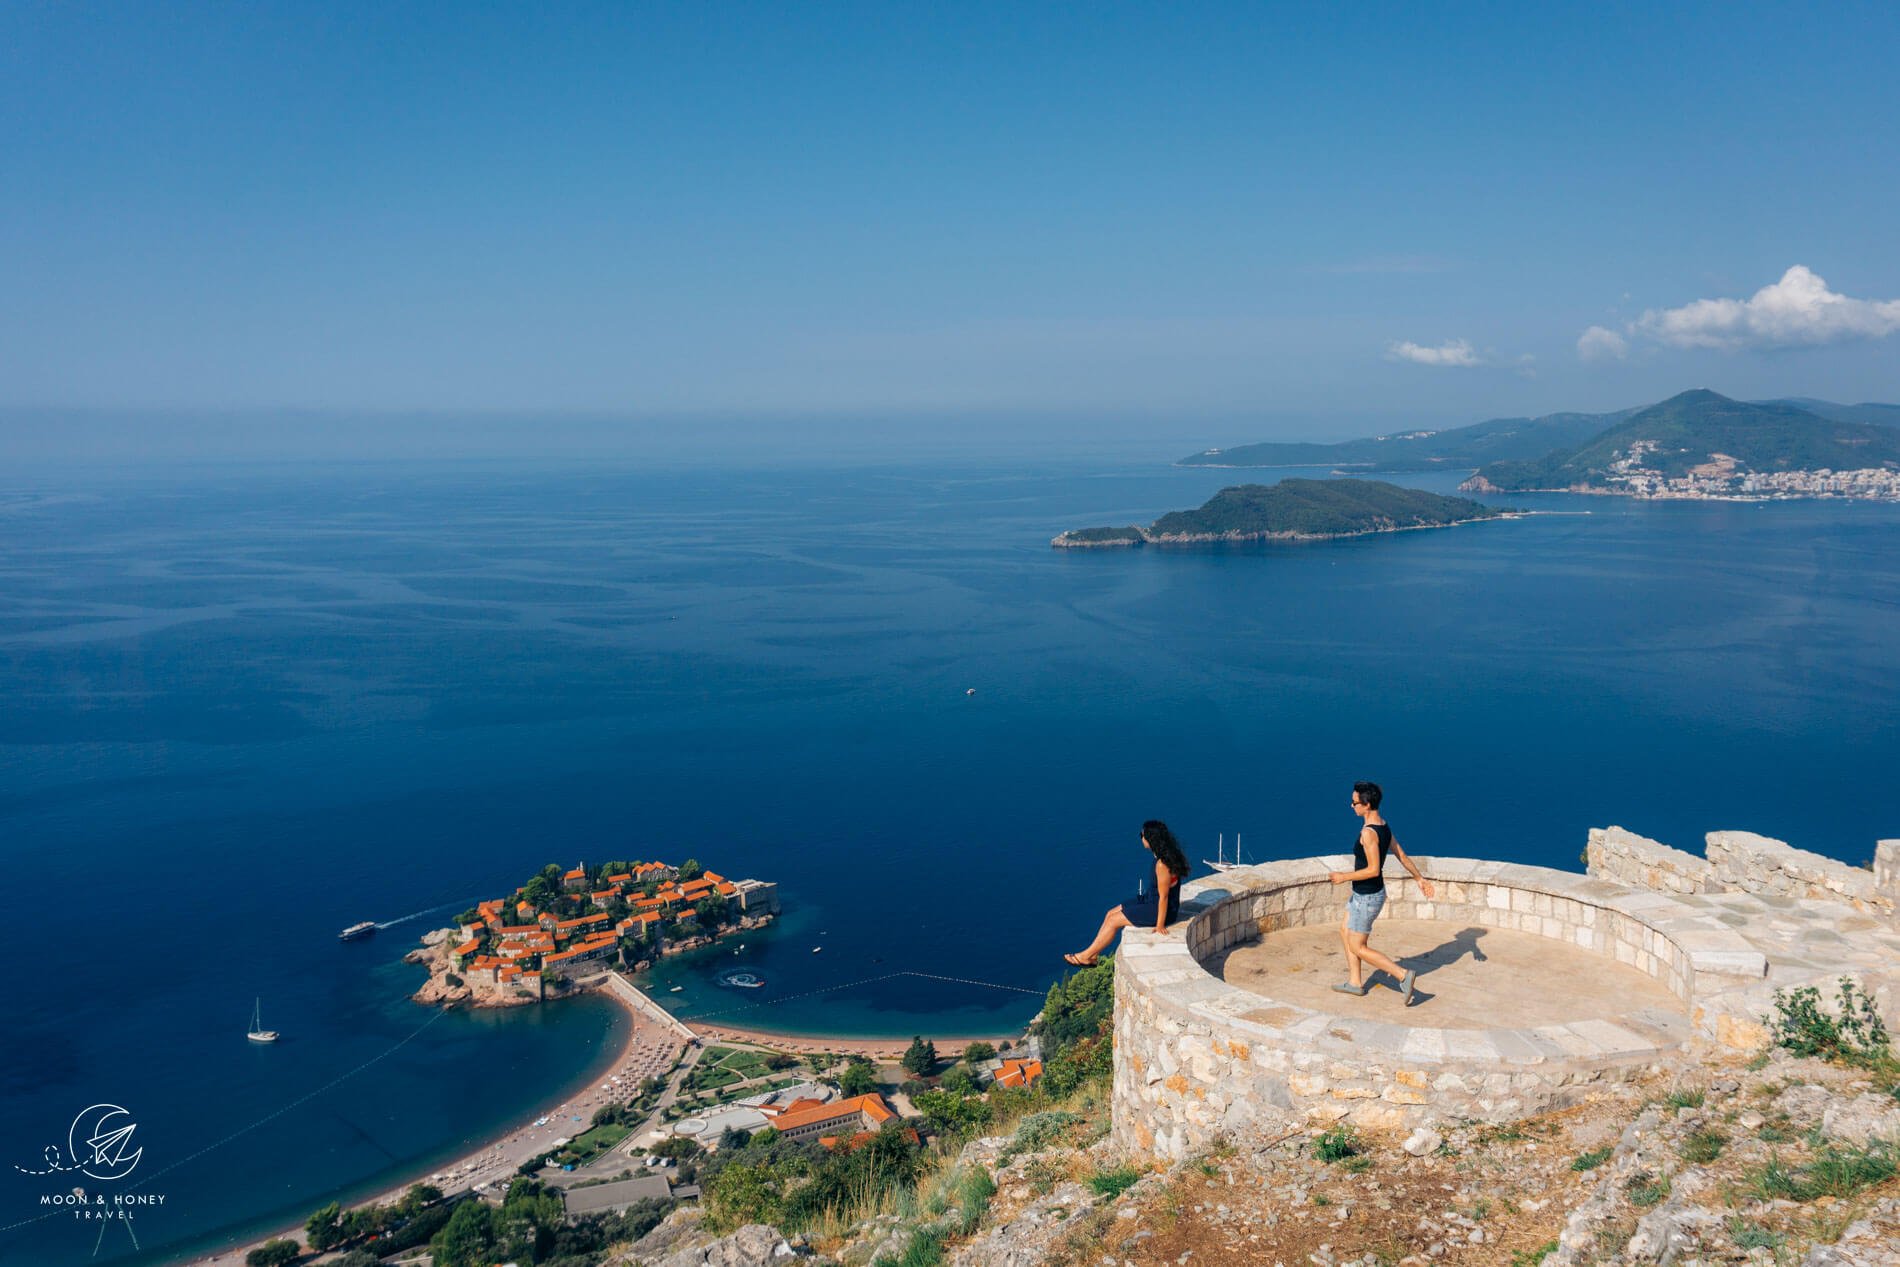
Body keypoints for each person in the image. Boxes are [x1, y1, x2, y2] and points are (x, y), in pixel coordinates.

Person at [1328, 781, 1435, 1003]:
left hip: (1367, 897)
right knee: (1344, 931)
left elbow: (1374, 869)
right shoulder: (1383, 825)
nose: (1351, 806)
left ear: (1366, 804)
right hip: (1364, 894)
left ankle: (1403, 975)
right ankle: (1355, 983)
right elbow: (1402, 855)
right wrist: (1419, 878)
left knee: (1358, 946)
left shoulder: (1369, 833)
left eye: (1355, 802)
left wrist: (1343, 877)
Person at [1064, 820, 1191, 966]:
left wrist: (1160, 925)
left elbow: (1164, 897)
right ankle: (1092, 955)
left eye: (1142, 835)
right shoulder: (1166, 855)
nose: (1141, 838)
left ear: (1151, 839)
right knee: (1110, 913)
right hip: (1150, 900)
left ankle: (1086, 956)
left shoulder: (1162, 864)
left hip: (1156, 909)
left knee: (1113, 922)